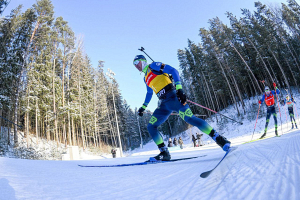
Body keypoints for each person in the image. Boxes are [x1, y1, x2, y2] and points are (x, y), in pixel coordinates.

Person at [134, 55, 231, 161]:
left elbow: (173, 70)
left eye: (137, 62)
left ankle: (219, 139)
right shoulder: (145, 78)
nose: (136, 65)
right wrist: (143, 107)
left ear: (143, 61)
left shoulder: (153, 66)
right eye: (134, 64)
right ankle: (164, 152)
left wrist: (179, 89)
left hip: (173, 97)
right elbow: (149, 93)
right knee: (151, 126)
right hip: (163, 104)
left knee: (190, 119)